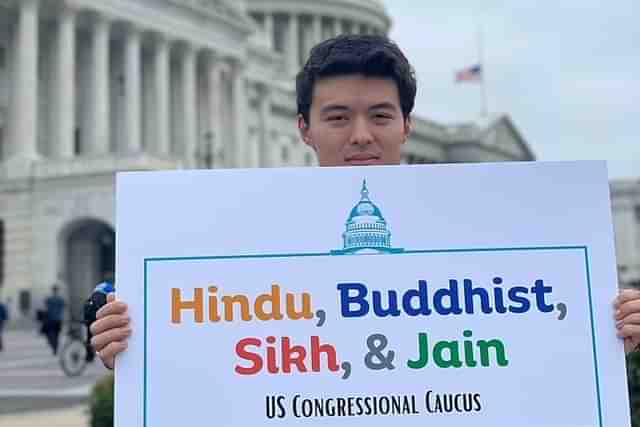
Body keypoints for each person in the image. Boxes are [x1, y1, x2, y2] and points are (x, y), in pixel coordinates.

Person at [90, 34, 640, 369]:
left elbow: (528, 345)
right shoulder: (234, 240)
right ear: (303, 128)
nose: (360, 136)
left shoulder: (487, 239)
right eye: (337, 117)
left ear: (407, 125)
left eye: (379, 115)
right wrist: (135, 354)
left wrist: (607, 333)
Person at [44, 285, 65, 355]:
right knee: (56, 335)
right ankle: (55, 347)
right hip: (58, 319)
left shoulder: (49, 299)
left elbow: (45, 307)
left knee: (51, 334)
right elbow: (64, 307)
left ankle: (54, 346)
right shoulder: (60, 299)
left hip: (51, 319)